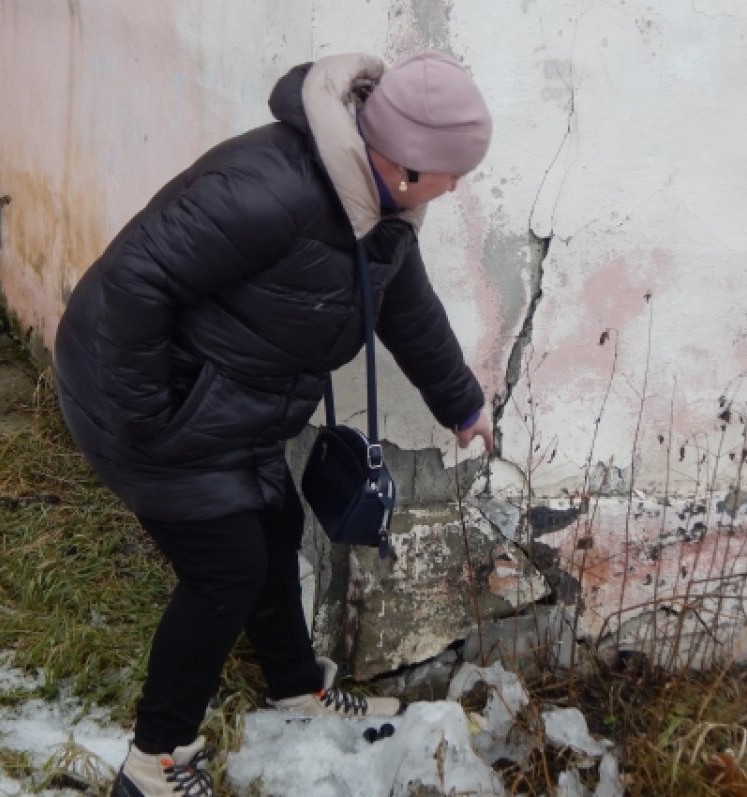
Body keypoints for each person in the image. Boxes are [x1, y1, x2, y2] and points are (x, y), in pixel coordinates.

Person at [53, 50, 495, 797]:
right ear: (409, 161)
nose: (458, 187)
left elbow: (407, 307)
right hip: (135, 396)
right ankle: (154, 759)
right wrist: (147, 420)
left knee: (275, 526)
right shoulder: (268, 191)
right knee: (225, 573)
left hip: (226, 403)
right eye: (456, 171)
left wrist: (463, 405)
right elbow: (136, 280)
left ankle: (296, 688)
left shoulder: (379, 210)